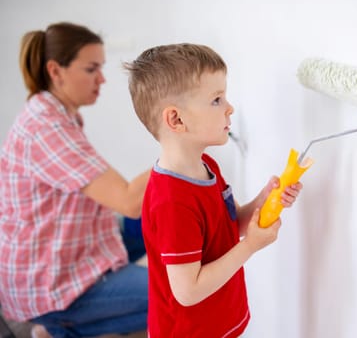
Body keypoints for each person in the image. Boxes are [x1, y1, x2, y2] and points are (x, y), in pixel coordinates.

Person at [125, 43, 303, 337]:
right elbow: (188, 291)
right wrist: (251, 246)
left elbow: (227, 227)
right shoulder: (173, 202)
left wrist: (265, 199)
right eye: (217, 100)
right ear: (177, 120)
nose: (230, 107)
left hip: (218, 323)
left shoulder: (206, 165)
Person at [0, 22, 150, 338]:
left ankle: (60, 325)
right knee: (176, 293)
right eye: (92, 69)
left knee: (159, 222)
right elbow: (128, 201)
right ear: (56, 71)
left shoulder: (60, 115)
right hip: (46, 283)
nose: (102, 79)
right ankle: (57, 326)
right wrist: (183, 144)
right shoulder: (46, 127)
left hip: (75, 245)